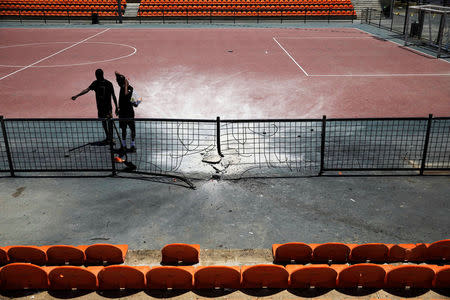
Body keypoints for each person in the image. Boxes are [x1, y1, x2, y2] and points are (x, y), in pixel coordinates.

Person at [71, 69, 118, 143]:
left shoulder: (106, 83)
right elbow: (87, 90)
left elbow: (113, 96)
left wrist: (117, 107)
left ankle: (111, 138)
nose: (96, 77)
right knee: (104, 122)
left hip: (107, 108)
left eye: (96, 75)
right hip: (102, 108)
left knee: (109, 123)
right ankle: (108, 137)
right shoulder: (99, 83)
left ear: (99, 75)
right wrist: (77, 95)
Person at [115, 71, 136, 152]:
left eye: (118, 81)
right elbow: (135, 103)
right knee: (129, 129)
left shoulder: (128, 89)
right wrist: (118, 108)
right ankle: (127, 145)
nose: (117, 83)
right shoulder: (123, 87)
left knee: (129, 129)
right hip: (125, 112)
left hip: (127, 113)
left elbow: (127, 95)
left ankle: (130, 145)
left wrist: (126, 84)